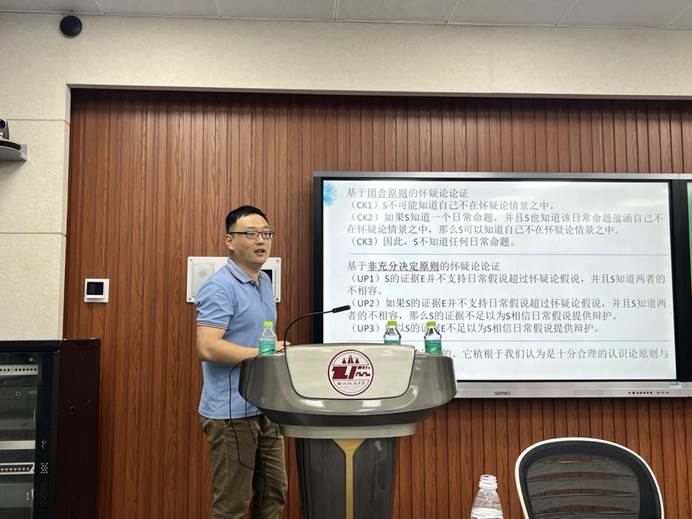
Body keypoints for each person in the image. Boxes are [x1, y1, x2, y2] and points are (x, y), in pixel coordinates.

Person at [195, 205, 288, 519]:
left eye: (266, 233)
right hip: (231, 414)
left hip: (265, 407)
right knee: (232, 506)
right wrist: (264, 353)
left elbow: (260, 339)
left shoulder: (264, 283)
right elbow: (207, 347)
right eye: (250, 234)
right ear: (229, 241)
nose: (261, 240)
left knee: (273, 495)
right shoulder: (219, 287)